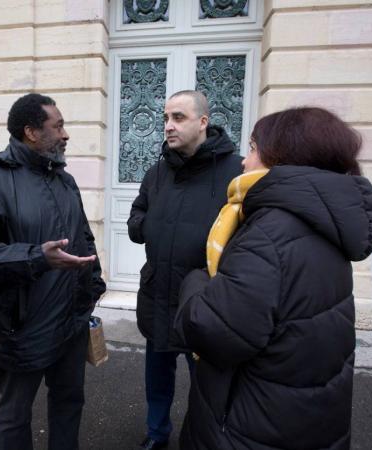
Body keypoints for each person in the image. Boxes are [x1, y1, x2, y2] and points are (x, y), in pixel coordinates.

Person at [175, 107, 372, 449]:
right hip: (303, 414)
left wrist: (196, 282)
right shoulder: (321, 222)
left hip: (249, 425)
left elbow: (214, 331)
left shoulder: (270, 231)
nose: (244, 161)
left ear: (284, 154)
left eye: (253, 148)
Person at [0, 93, 106, 450]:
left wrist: (93, 283)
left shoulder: (63, 179)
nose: (66, 134)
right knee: (14, 415)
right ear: (31, 132)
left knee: (70, 402)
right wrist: (36, 257)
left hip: (71, 320)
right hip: (24, 327)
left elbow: (83, 235)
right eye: (58, 126)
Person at [128, 90, 243, 450]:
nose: (168, 126)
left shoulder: (234, 172)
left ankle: (203, 439)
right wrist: (149, 227)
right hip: (159, 292)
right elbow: (136, 218)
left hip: (205, 301)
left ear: (203, 122)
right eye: (166, 118)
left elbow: (249, 234)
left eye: (178, 117)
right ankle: (156, 432)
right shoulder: (158, 171)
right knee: (157, 375)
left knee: (207, 382)